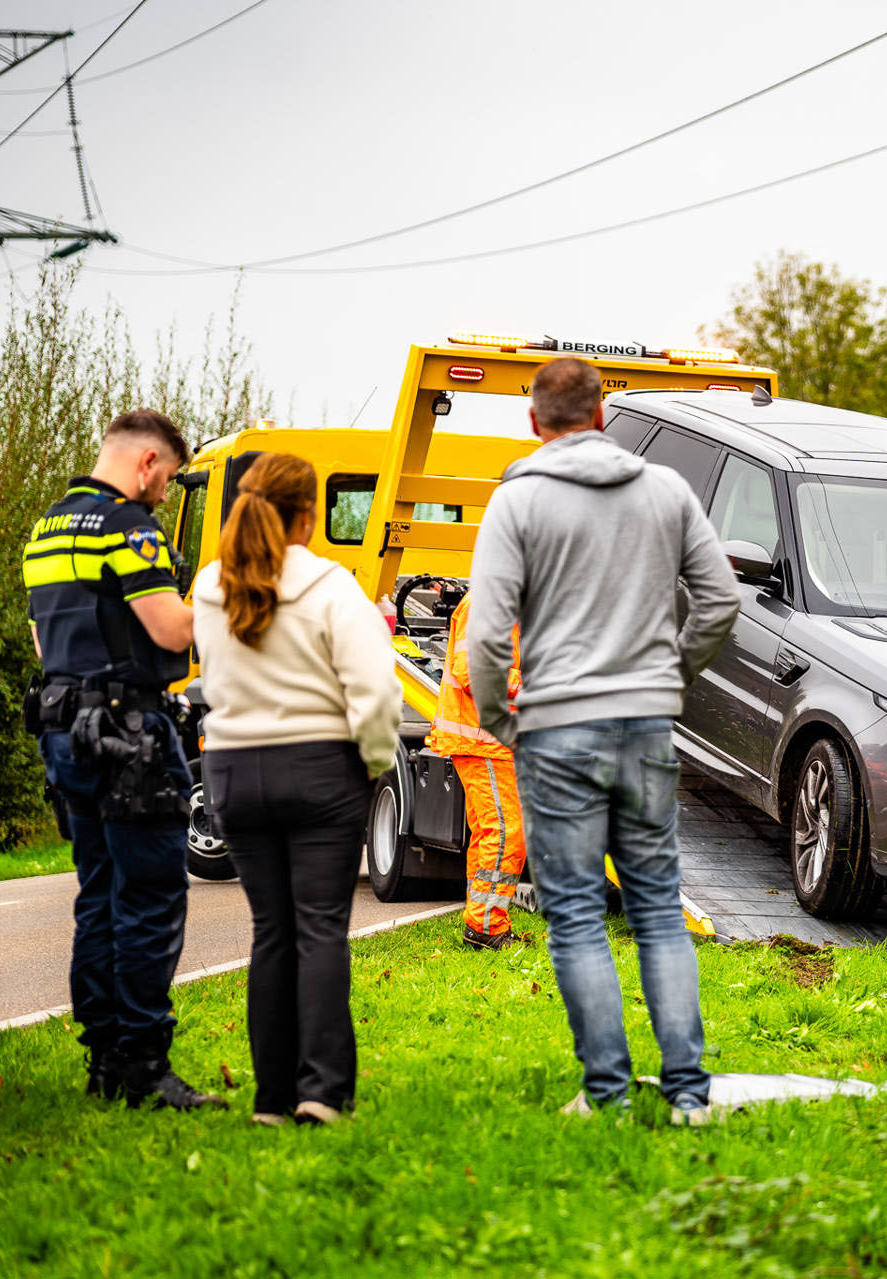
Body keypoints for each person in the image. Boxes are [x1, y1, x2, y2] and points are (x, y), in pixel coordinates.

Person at [465, 357, 742, 1125]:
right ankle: (688, 1092)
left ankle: (607, 1093)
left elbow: (487, 637)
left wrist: (500, 721)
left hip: (554, 726)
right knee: (656, 907)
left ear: (533, 420)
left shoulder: (517, 501)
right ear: (600, 415)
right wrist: (670, 674)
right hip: (647, 724)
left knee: (579, 914)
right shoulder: (666, 491)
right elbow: (720, 600)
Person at [192, 453, 401, 1127]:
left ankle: (270, 1098)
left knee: (272, 932)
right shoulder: (333, 587)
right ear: (309, 515)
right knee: (320, 930)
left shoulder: (208, 586)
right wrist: (370, 762)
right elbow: (375, 693)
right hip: (317, 769)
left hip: (232, 772)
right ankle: (322, 1090)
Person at [23, 408, 223, 1111]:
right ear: (147, 464)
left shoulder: (45, 530)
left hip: (62, 729)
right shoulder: (128, 525)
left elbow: (46, 647)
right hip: (128, 732)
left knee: (98, 892)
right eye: (167, 479)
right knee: (149, 896)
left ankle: (104, 1058)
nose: (165, 494)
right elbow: (168, 624)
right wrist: (224, 603)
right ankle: (144, 1064)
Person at [425, 596, 528, 951]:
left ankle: (482, 921)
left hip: (493, 739)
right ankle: (485, 927)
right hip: (483, 738)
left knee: (492, 833)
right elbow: (473, 670)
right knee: (503, 833)